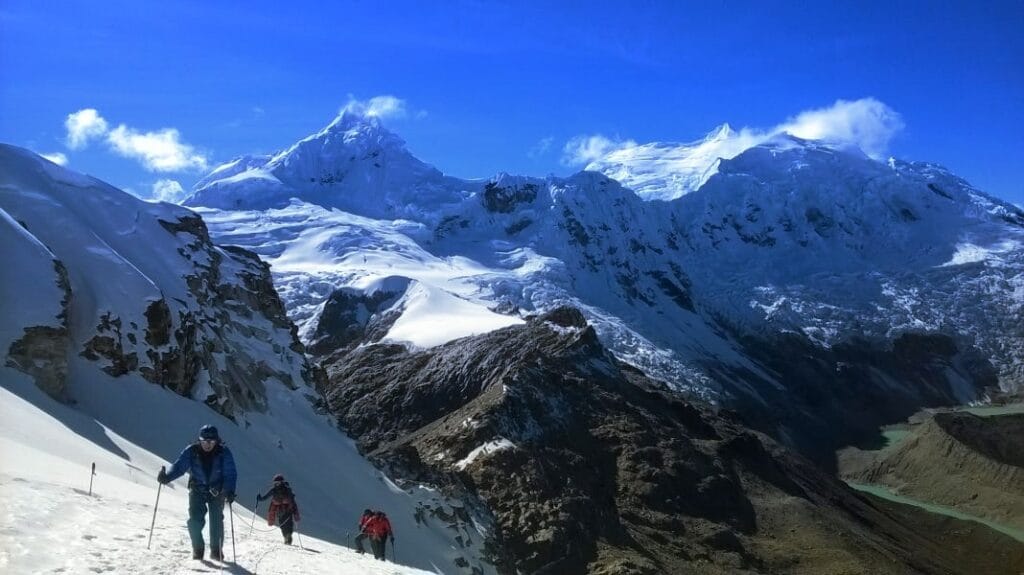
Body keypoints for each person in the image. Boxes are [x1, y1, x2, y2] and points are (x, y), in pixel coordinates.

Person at [158, 424, 237, 561]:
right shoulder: (192, 451)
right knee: (194, 520)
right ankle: (198, 549)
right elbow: (179, 467)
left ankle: (216, 550)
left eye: (211, 441)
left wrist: (229, 490)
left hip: (216, 491)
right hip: (197, 489)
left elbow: (230, 473)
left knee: (216, 521)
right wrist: (167, 477)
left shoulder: (224, 453)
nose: (207, 444)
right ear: (199, 440)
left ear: (217, 441)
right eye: (204, 441)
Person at [257, 474, 300, 545]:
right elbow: (265, 497)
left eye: (278, 483)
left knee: (288, 524)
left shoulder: (287, 489)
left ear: (282, 482)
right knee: (282, 525)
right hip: (280, 511)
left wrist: (293, 510)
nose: (276, 484)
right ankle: (286, 537)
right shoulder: (274, 490)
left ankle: (288, 537)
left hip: (288, 511)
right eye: (275, 483)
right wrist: (260, 498)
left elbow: (292, 500)